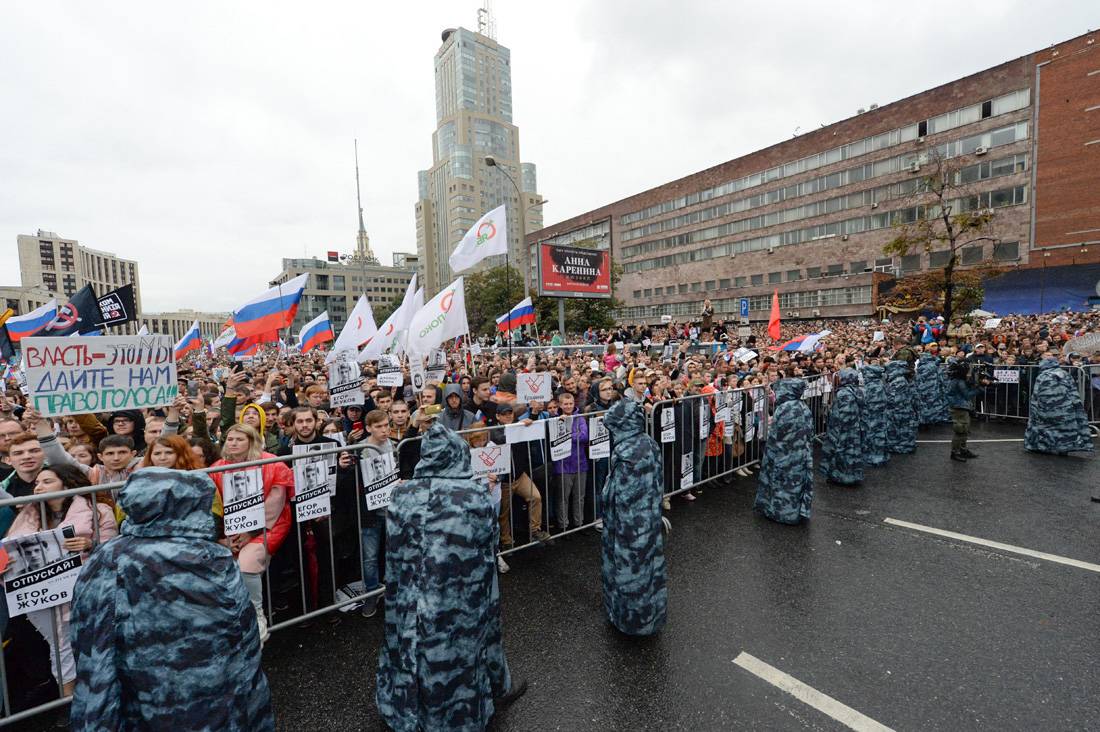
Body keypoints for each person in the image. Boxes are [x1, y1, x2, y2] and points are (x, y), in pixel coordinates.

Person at [68, 468, 274, 731]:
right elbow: (243, 634)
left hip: (137, 688)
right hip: (211, 690)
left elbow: (88, 633)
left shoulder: (107, 556)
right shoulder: (211, 557)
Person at [376, 423, 525, 731]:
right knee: (456, 654)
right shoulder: (474, 496)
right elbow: (488, 542)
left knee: (409, 646)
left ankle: (406, 708)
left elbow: (392, 546)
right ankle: (458, 714)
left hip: (409, 595)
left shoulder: (401, 495)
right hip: (459, 598)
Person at [5, 464, 118, 698]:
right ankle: (70, 700)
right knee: (58, 643)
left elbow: (114, 550)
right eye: (37, 483)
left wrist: (91, 545)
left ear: (66, 484)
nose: (39, 487)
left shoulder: (98, 510)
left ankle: (79, 699)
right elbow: (8, 547)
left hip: (84, 589)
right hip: (39, 595)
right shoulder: (27, 514)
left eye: (47, 482)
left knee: (73, 644)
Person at [209, 424, 294, 642]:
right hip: (231, 530)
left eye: (239, 439)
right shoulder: (217, 467)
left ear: (251, 441)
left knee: (246, 564)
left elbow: (275, 502)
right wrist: (222, 537)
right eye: (230, 439)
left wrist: (251, 531)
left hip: (269, 525)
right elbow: (214, 507)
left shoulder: (271, 462)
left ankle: (257, 614)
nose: (233, 443)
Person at [600, 398, 667, 636]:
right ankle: (652, 614)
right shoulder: (648, 442)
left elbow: (619, 495)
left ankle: (631, 621)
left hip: (629, 526)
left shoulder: (625, 451)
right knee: (651, 568)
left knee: (630, 574)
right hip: (649, 518)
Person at [753, 379, 814, 524]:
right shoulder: (803, 406)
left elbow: (776, 434)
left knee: (783, 484)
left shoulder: (785, 408)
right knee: (796, 484)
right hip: (801, 455)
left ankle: (781, 513)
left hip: (784, 455)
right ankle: (795, 512)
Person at [1024, 357, 1094, 455]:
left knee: (1046, 427)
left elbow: (1036, 395)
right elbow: (1073, 392)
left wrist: (1034, 410)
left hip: (1046, 408)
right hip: (1066, 407)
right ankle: (1063, 447)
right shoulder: (1066, 374)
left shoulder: (1042, 376)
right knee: (1064, 428)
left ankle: (1044, 447)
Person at [359, 408, 392, 618]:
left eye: (386, 425)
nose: (384, 430)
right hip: (370, 513)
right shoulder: (360, 449)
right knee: (370, 557)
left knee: (392, 551)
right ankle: (372, 593)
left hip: (390, 509)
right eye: (378, 426)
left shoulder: (393, 445)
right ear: (368, 428)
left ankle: (392, 588)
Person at [551, 390, 589, 533]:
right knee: (563, 498)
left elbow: (585, 436)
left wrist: (567, 435)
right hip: (562, 465)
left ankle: (579, 523)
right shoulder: (554, 419)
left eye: (571, 403)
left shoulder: (579, 418)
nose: (568, 406)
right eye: (565, 404)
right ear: (560, 405)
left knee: (579, 497)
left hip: (580, 463)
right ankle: (564, 526)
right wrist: (574, 435)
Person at [820, 368, 864, 485]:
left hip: (842, 428)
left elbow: (845, 414)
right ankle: (852, 475)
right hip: (853, 427)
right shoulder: (856, 390)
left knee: (840, 452)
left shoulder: (844, 393)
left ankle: (841, 476)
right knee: (852, 451)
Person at [945, 359, 989, 462]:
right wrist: (981, 387)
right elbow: (967, 395)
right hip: (959, 407)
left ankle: (962, 450)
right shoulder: (959, 382)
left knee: (964, 430)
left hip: (961, 407)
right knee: (960, 431)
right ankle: (955, 452)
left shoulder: (956, 380)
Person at [859, 364, 890, 467]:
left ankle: (874, 459)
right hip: (880, 416)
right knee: (880, 435)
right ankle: (881, 456)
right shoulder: (879, 383)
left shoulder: (871, 387)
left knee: (872, 436)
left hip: (872, 417)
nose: (864, 376)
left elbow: (867, 403)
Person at [884, 360, 918, 454]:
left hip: (899, 410)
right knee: (903, 429)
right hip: (903, 409)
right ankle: (904, 446)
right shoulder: (900, 379)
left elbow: (894, 399)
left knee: (901, 430)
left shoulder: (898, 382)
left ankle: (903, 447)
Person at [915, 351, 950, 426]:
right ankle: (934, 420)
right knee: (934, 405)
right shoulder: (936, 366)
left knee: (924, 406)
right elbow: (941, 378)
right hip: (934, 389)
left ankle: (924, 422)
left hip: (923, 389)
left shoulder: (922, 367)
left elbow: (918, 378)